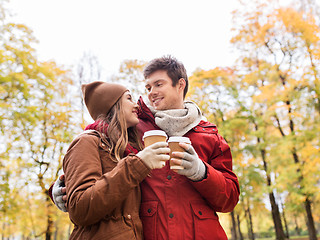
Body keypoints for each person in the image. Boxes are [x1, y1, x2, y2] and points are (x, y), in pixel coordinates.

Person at [51, 56, 240, 240]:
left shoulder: (210, 135)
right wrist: (60, 187)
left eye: (159, 84)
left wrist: (201, 172)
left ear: (180, 85)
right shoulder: (134, 126)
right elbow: (97, 140)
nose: (151, 92)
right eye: (148, 87)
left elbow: (229, 198)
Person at [57, 81, 170, 239]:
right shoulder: (87, 142)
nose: (136, 105)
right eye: (129, 98)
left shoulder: (127, 149)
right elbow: (80, 209)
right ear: (112, 106)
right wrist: (137, 164)